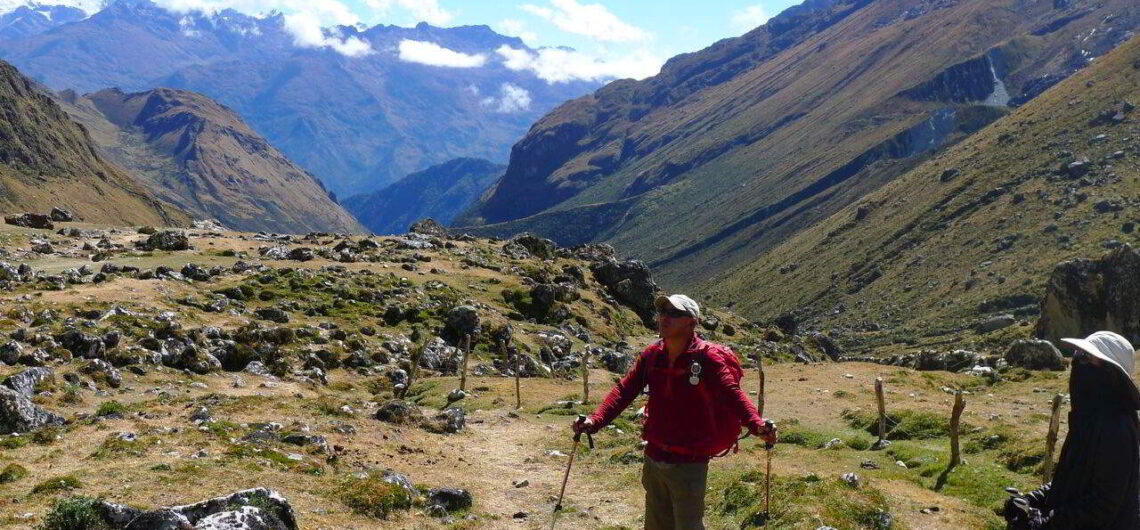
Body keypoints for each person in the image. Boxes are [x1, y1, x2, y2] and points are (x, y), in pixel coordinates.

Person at [572, 294, 777, 530]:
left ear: (692, 322)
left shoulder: (707, 358)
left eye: (674, 313)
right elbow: (624, 390)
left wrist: (756, 424)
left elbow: (731, 393)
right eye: (663, 312)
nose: (665, 318)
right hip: (654, 457)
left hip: (689, 462)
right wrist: (595, 420)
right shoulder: (652, 356)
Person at [1004, 331, 1140, 529]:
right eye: (1077, 354)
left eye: (1085, 357)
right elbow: (1069, 480)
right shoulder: (1088, 418)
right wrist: (1031, 500)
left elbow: (1103, 505)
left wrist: (1043, 522)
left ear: (1110, 373)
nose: (1077, 361)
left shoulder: (1117, 426)